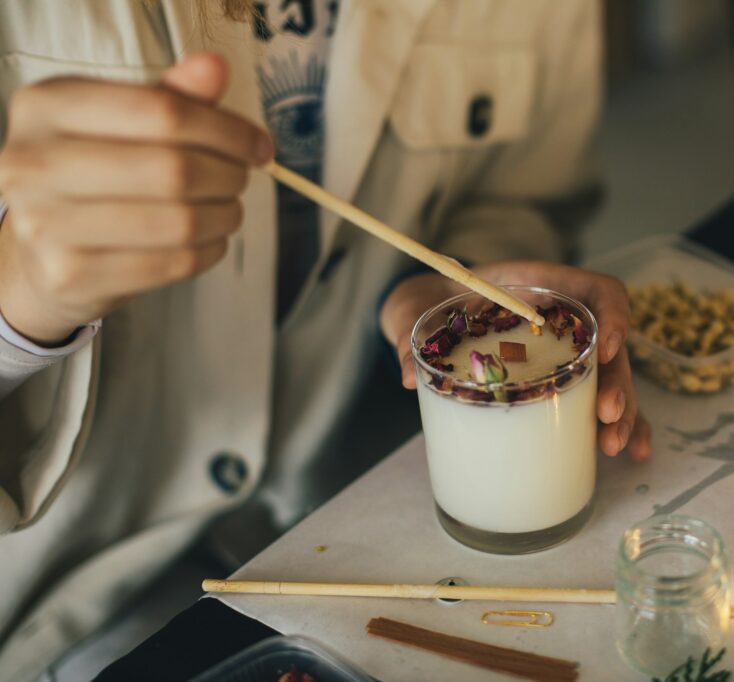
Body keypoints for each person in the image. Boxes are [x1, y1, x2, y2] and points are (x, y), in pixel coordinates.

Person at [0, 1, 650, 678]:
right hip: (71, 608)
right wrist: (17, 294)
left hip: (356, 520)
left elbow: (522, 195)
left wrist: (443, 289)